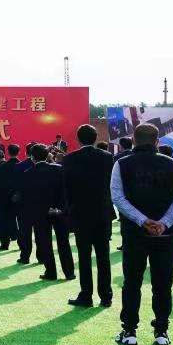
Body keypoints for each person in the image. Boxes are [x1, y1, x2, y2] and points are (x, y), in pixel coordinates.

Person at [111, 123, 173, 345]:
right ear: (157, 142)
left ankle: (129, 330)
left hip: (134, 233)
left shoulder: (121, 164)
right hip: (165, 234)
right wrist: (163, 223)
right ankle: (161, 330)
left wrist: (142, 221)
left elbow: (118, 198)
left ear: (133, 141)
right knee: (163, 283)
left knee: (132, 282)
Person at [63, 124, 116, 308]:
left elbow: (67, 189)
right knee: (103, 256)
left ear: (78, 139)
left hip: (81, 213)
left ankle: (86, 295)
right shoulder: (107, 157)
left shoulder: (70, 159)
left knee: (84, 257)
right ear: (95, 138)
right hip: (102, 212)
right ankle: (106, 296)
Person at [16, 144, 74, 279]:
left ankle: (51, 272)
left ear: (32, 157)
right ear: (47, 155)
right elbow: (66, 190)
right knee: (63, 242)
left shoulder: (28, 174)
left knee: (45, 243)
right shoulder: (59, 169)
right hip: (60, 211)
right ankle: (69, 272)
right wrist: (60, 208)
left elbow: (29, 197)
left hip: (40, 213)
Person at [0, 145, 20, 250]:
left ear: (8, 153)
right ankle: (22, 244)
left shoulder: (3, 166)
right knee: (20, 221)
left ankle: (5, 244)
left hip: (5, 197)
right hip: (20, 197)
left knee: (4, 220)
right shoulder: (21, 165)